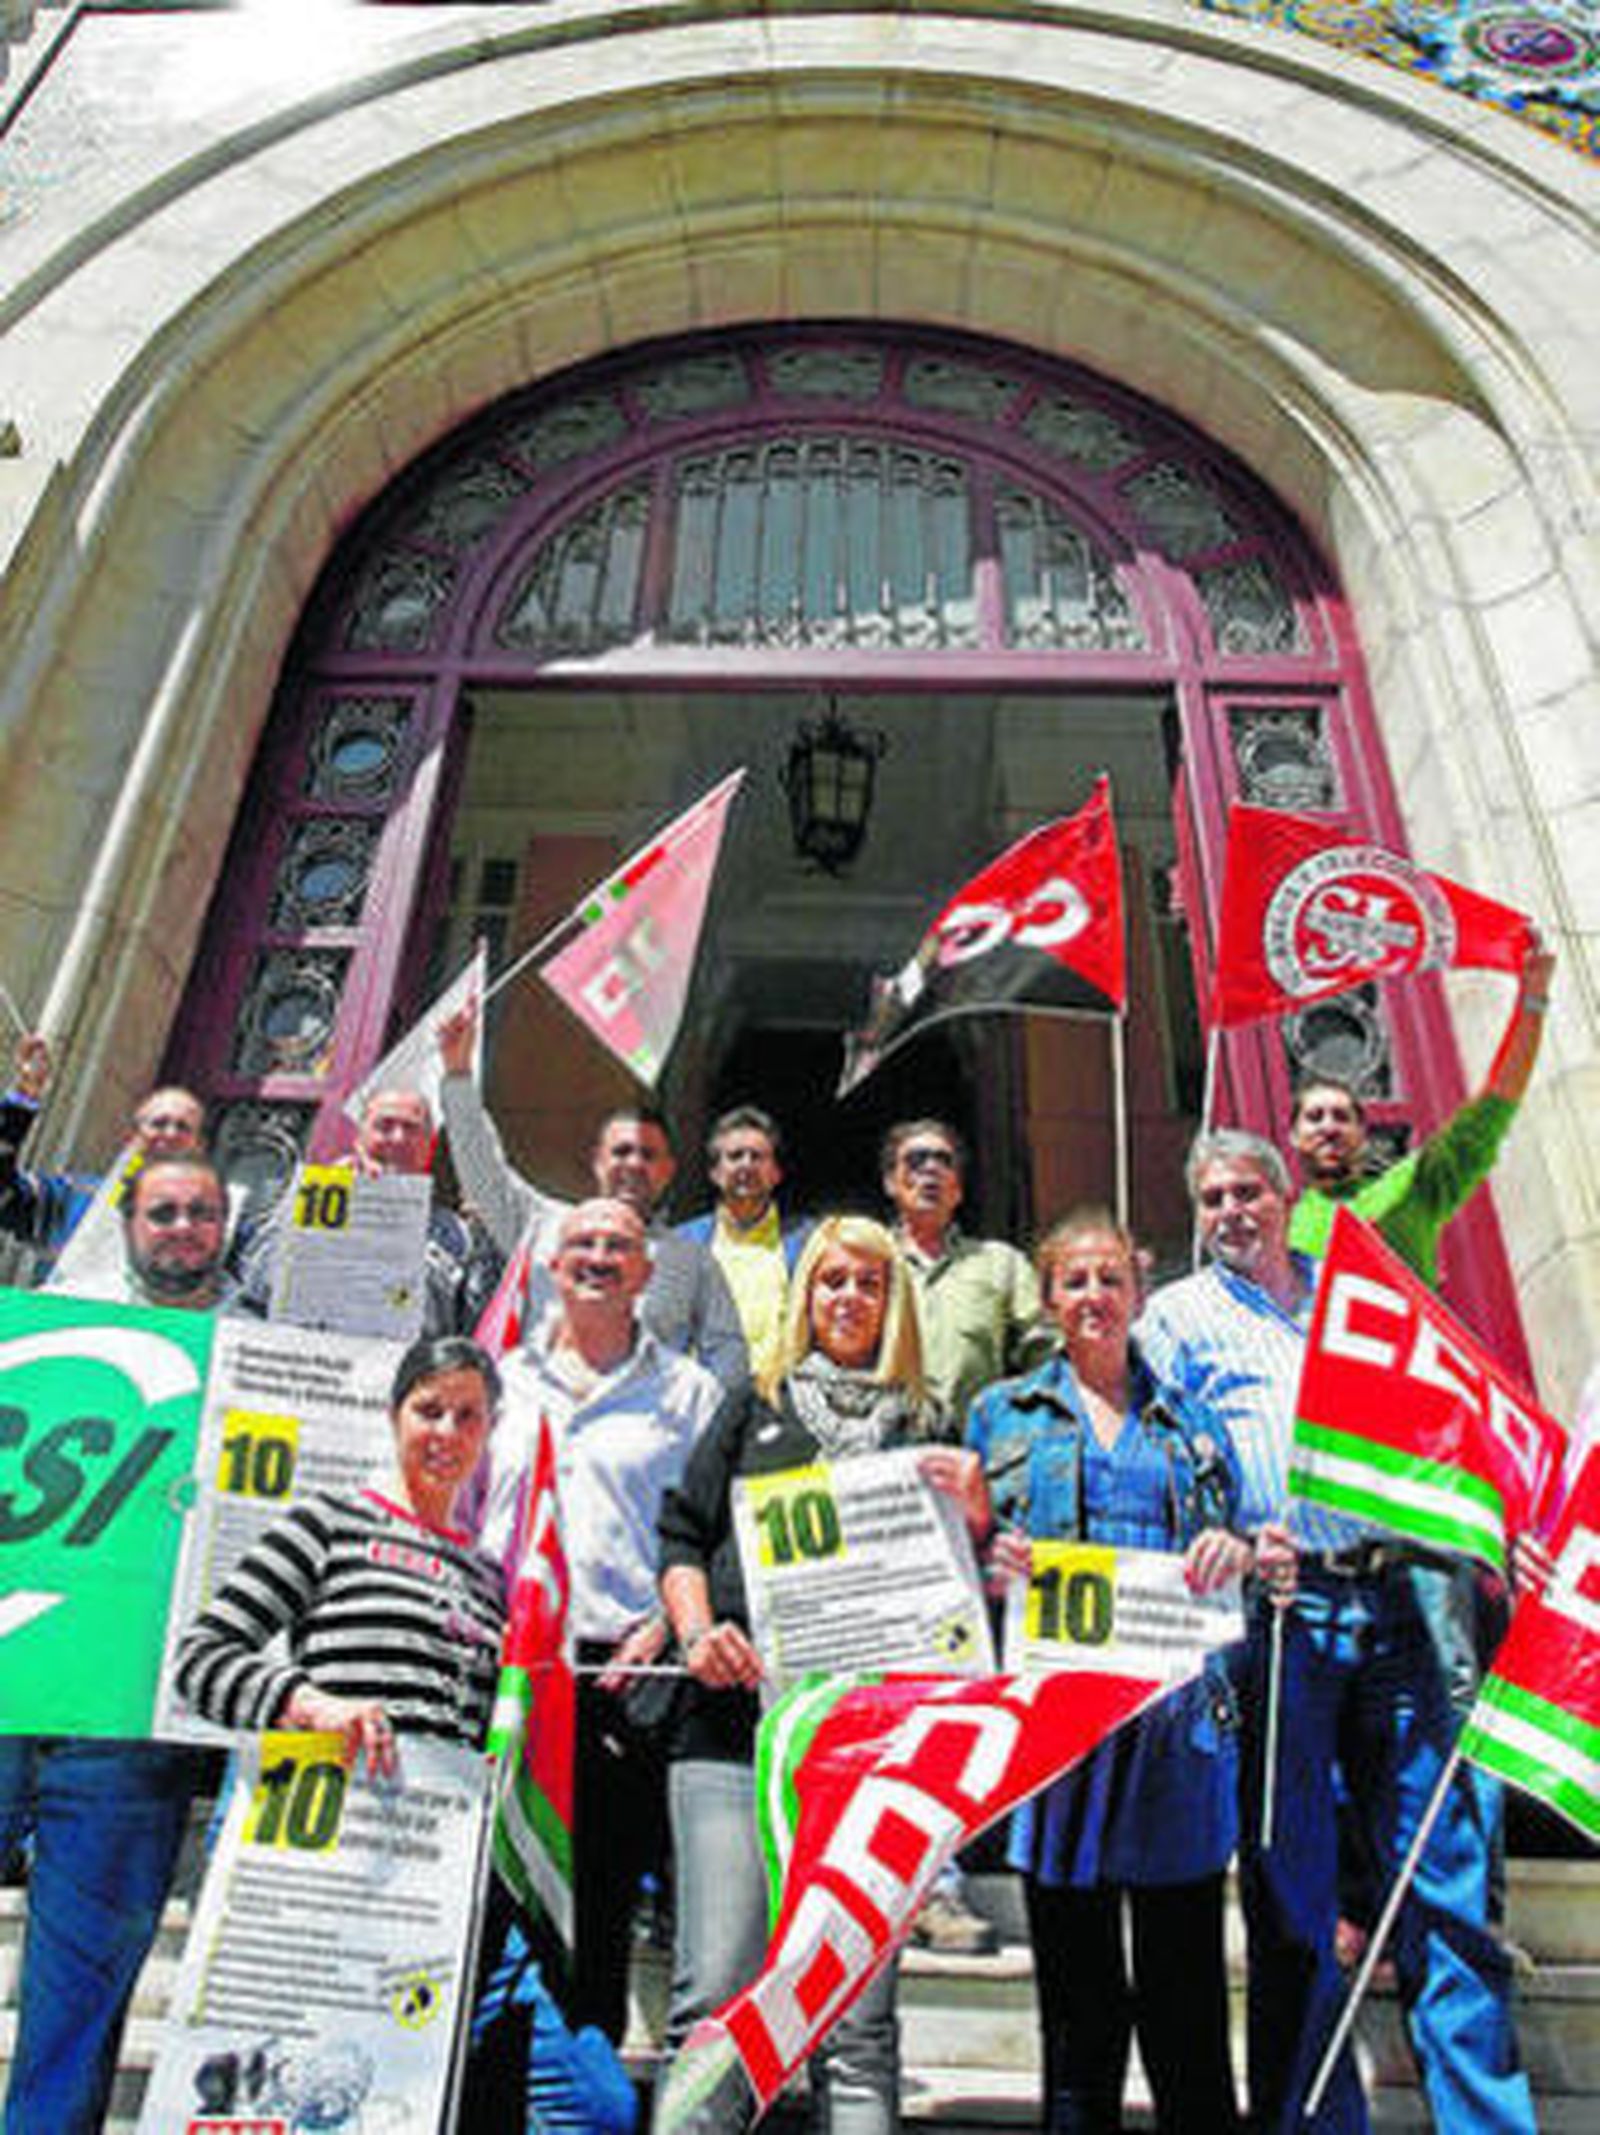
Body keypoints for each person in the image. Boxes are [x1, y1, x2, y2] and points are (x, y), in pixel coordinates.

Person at [1138, 1130, 1536, 2135]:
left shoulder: (1361, 1297)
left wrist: (1499, 1522)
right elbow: (1151, 1456)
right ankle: (1316, 2123)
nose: (1230, 1210)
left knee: (1443, 1881)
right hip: (1281, 1619)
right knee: (1296, 1899)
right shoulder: (1175, 1317)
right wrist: (1214, 1532)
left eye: (1246, 1191)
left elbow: (1448, 1424)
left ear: (1283, 1197)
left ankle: (1486, 2121)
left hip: (1401, 1603)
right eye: (1212, 1196)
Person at [654, 1214, 990, 2135]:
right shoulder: (754, 1399)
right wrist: (694, 1631)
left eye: (869, 1283)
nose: (848, 1297)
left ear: (895, 1301)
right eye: (832, 1280)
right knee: (716, 1998)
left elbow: (966, 1598)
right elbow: (682, 1534)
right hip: (731, 1736)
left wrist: (980, 1516)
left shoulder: (929, 1424)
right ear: (806, 1293)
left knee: (858, 2021)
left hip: (869, 1762)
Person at [967, 1207, 1249, 2134]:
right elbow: (963, 1566)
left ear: (1139, 1287)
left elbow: (1234, 1545)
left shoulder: (1195, 1422)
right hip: (1061, 1747)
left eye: (1110, 1279)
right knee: (1079, 2026)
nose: (1094, 1296)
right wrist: (992, 1563)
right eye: (1074, 1280)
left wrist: (1229, 1549)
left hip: (1174, 1744)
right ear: (1049, 1297)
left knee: (1189, 2022)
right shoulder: (1001, 1412)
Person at [0, 1156, 234, 2134]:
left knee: (80, 1994)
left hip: (126, 1721)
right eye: (163, 1210)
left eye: (201, 1213)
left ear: (226, 1227)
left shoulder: (258, 1351)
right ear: (126, 1220)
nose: (181, 1227)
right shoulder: (47, 1324)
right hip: (11, 1681)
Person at [477, 1198, 726, 2046]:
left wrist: (665, 1619)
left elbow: (711, 1532)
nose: (598, 1257)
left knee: (598, 1913)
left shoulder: (690, 1393)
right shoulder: (495, 1382)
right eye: (580, 1243)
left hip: (620, 1679)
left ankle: (579, 2096)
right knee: (487, 1911)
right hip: (500, 1675)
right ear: (551, 1265)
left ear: (648, 1273)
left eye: (619, 1245)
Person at [174, 1333, 508, 1760]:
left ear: (489, 1430)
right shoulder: (327, 1524)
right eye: (429, 1411)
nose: (447, 1431)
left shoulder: (488, 1579)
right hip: (334, 1809)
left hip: (439, 1819)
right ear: (394, 1416)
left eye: (468, 1417)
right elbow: (199, 1659)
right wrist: (308, 1705)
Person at [880, 1115, 1048, 1951]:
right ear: (889, 1179)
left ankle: (940, 1884)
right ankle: (888, 1875)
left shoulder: (1002, 1267)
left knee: (955, 1691)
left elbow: (1043, 1363)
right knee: (884, 1690)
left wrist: (1004, 1478)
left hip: (966, 1483)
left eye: (945, 1160)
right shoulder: (861, 1256)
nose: (931, 1172)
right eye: (915, 1161)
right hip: (874, 1484)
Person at [437, 995, 747, 1390]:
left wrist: (695, 1427)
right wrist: (458, 1074)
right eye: (621, 1151)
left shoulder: (692, 1262)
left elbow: (728, 1353)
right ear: (597, 1162)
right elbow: (482, 1172)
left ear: (668, 1171)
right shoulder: (542, 1224)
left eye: (647, 1155)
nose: (633, 1164)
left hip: (640, 1438)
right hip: (539, 1428)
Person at [1286, 931, 1556, 1281]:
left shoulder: (1413, 1184)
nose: (1328, 1126)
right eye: (1314, 1117)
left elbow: (1496, 1101)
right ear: (1293, 1135)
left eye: (1341, 1117)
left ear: (1362, 1134)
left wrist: (1533, 999)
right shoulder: (1278, 1232)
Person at [235, 1084, 477, 1336]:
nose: (398, 1138)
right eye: (384, 1126)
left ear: (430, 1145)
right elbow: (256, 1282)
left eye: (411, 1128)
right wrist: (337, 1195)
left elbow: (462, 1324)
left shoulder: (452, 1232)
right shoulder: (315, 1196)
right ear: (359, 1137)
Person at [0, 1028, 206, 1273]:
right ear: (131, 1138)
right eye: (158, 1123)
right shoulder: (70, 1198)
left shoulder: (219, 1226)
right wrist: (22, 1101)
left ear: (200, 1148)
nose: (170, 1134)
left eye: (183, 1127)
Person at [677, 1104, 810, 1386]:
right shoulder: (683, 1243)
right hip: (705, 1398)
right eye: (735, 1156)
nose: (746, 1165)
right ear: (715, 1172)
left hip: (779, 1400)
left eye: (758, 1157)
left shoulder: (808, 1240)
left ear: (776, 1173)